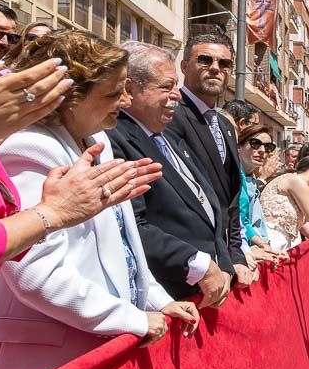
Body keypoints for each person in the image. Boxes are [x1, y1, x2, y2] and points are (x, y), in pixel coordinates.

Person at [0, 0, 152, 369]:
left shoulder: (2, 138)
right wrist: (50, 216)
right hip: (36, 367)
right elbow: (16, 262)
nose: (0, 21)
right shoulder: (27, 144)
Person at [0, 31, 199, 369]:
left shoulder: (97, 140)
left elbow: (122, 245)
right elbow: (35, 272)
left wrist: (154, 300)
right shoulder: (30, 148)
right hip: (41, 365)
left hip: (94, 351)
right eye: (113, 93)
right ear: (70, 98)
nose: (125, 101)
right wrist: (129, 318)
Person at [107, 42, 235, 308]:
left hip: (204, 292)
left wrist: (223, 263)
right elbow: (131, 225)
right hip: (165, 297)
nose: (176, 95)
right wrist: (197, 265)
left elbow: (211, 209)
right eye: (166, 87)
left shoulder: (170, 139)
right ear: (130, 89)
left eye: (176, 86)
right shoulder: (115, 139)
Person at [166, 34, 253, 286]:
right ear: (184, 66)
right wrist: (213, 263)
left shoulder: (225, 124)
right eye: (205, 60)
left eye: (224, 64)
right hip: (193, 266)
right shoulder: (170, 114)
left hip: (223, 261)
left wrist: (236, 255)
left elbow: (232, 198)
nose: (215, 68)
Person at [236, 124, 285, 265]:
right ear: (239, 146)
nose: (262, 150)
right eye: (255, 144)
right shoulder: (232, 176)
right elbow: (237, 221)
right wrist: (248, 250)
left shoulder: (250, 179)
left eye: (268, 147)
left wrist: (264, 245)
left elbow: (245, 222)